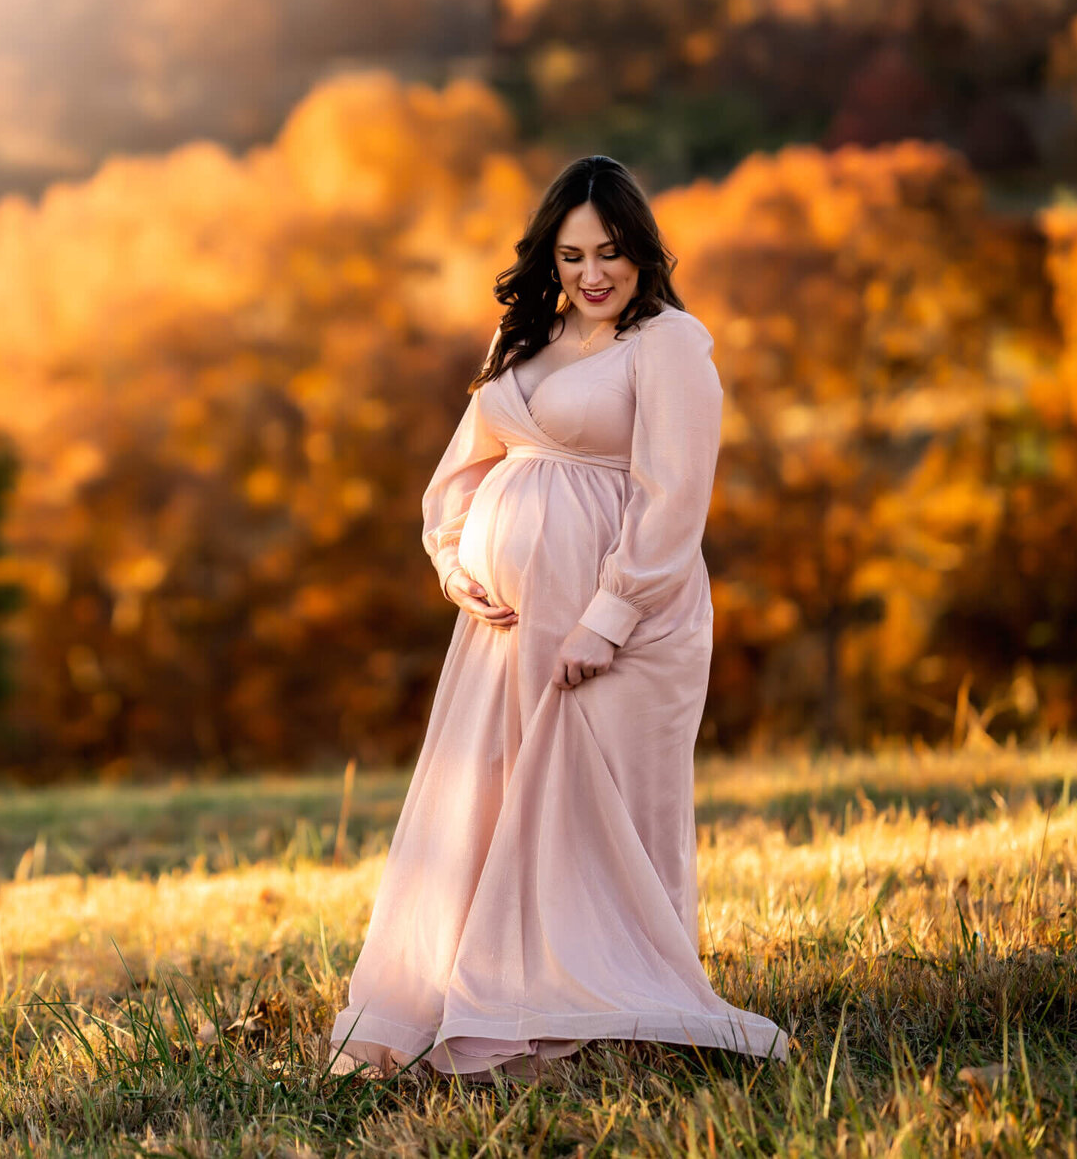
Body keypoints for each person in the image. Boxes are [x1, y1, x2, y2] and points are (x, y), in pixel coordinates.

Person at [328, 155, 789, 1081]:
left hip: (624, 622)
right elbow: (460, 468)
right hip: (503, 631)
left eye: (612, 254)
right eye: (574, 254)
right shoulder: (522, 342)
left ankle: (597, 1006)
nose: (593, 274)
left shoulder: (669, 345)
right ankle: (491, 987)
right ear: (550, 257)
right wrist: (456, 562)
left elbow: (672, 501)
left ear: (642, 256)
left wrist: (606, 618)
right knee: (498, 802)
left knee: (589, 811)